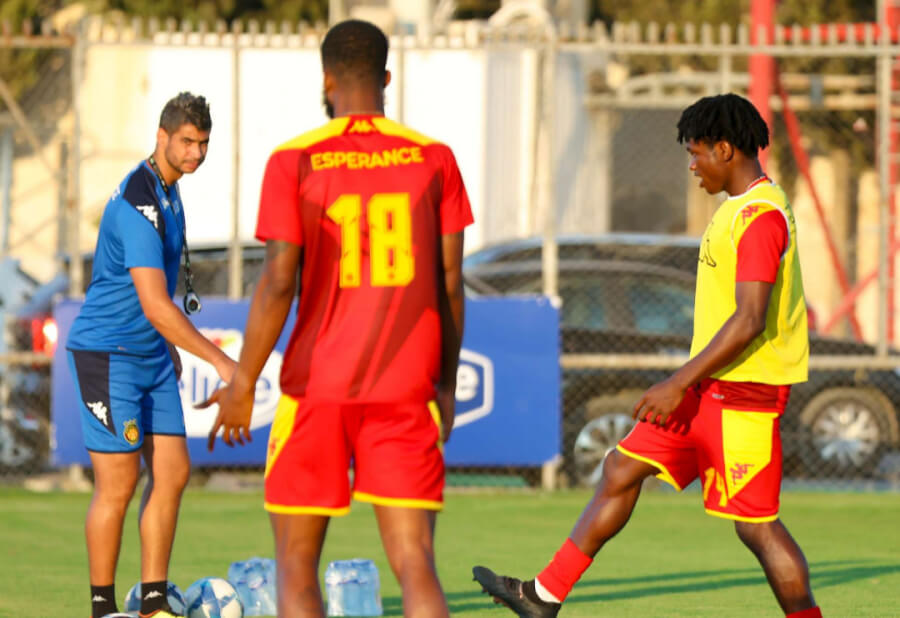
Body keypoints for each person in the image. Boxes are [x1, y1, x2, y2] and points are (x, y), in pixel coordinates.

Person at [472, 93, 822, 618]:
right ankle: (543, 597)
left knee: (757, 525)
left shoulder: (761, 218)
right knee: (620, 469)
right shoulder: (738, 210)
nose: (692, 164)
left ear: (725, 150)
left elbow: (750, 319)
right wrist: (688, 385)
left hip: (740, 397)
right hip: (707, 390)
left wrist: (678, 381)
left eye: (697, 152)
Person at [199, 19, 473, 618]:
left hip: (315, 389)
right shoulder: (435, 159)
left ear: (326, 80)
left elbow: (277, 281)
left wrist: (243, 383)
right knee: (414, 560)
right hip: (404, 391)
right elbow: (451, 284)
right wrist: (445, 383)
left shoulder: (293, 160)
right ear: (387, 79)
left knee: (296, 567)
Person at [66, 92, 236, 618]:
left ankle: (155, 604)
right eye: (187, 141)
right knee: (117, 484)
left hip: (150, 357)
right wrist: (220, 360)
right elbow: (156, 303)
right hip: (108, 355)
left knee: (174, 471)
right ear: (162, 137)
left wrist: (167, 347)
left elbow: (160, 298)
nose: (196, 153)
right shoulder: (138, 202)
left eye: (203, 143)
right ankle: (103, 609)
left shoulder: (170, 188)